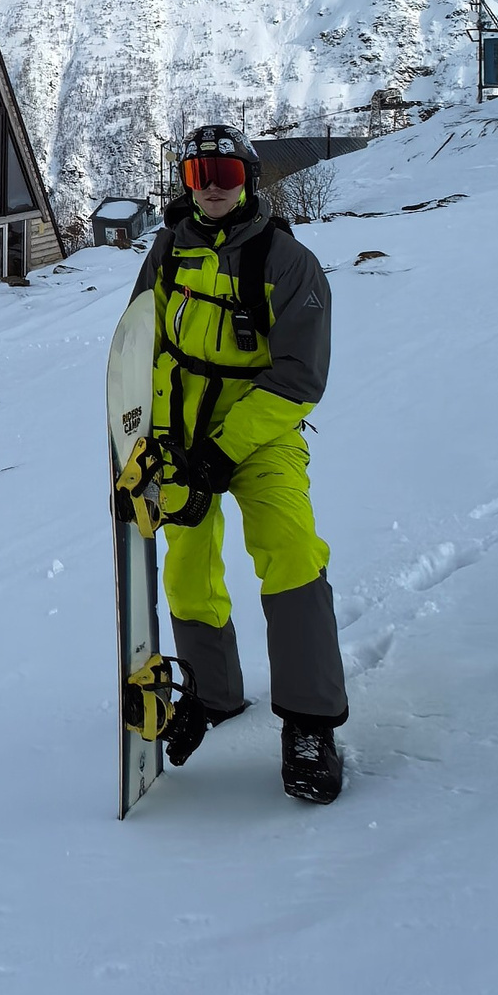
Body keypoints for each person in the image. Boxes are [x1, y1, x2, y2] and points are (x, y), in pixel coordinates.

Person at [125, 122, 348, 803]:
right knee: (186, 565)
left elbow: (298, 378)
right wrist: (162, 443)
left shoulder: (287, 261)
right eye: (199, 177)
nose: (213, 189)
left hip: (262, 430)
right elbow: (149, 349)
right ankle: (213, 691)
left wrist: (220, 454)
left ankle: (310, 723)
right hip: (185, 434)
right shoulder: (167, 251)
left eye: (225, 175)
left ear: (248, 179)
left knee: (289, 553)